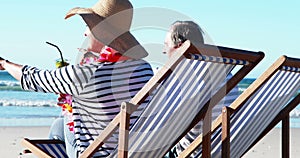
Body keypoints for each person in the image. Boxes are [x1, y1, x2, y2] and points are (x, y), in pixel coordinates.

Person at [0, 0, 153, 157]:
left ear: (103, 33)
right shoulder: (144, 69)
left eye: (88, 27)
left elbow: (33, 78)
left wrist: (4, 64)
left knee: (65, 118)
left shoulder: (86, 75)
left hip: (94, 154)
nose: (85, 33)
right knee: (60, 124)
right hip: (134, 151)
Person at [162, 21, 239, 157]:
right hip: (224, 150)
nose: (164, 51)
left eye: (166, 45)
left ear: (180, 47)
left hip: (191, 153)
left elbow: (164, 127)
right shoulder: (227, 73)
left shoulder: (181, 79)